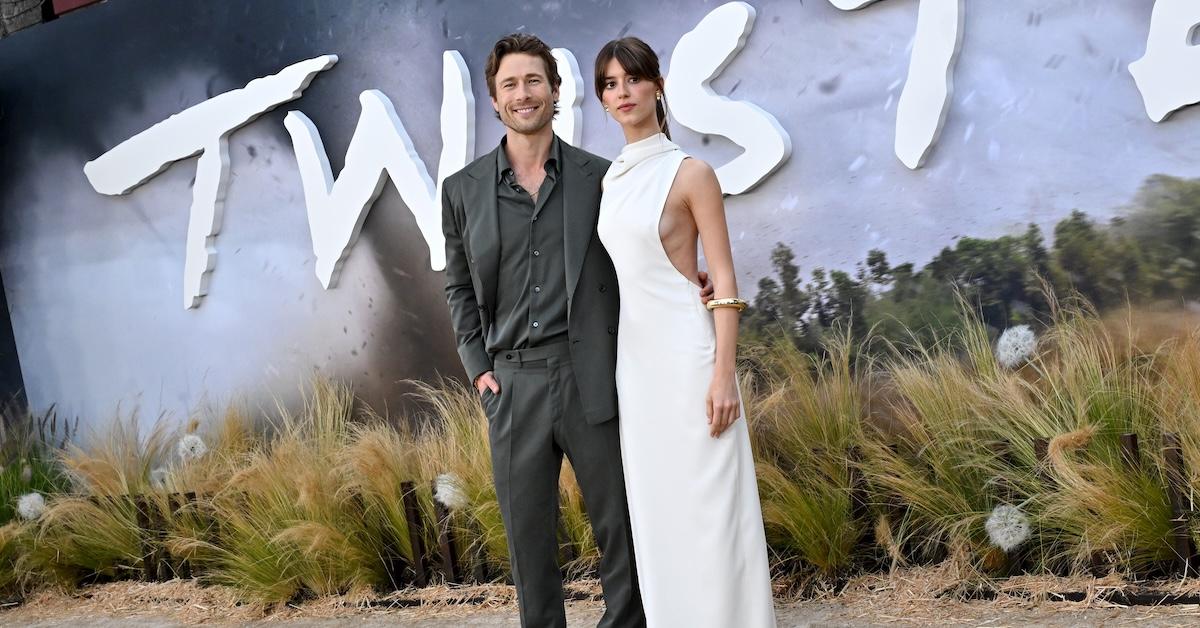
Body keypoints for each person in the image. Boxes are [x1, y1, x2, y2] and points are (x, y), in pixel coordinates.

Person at [440, 33, 711, 628]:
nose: (523, 94)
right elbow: (458, 287)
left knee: (620, 526)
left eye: (534, 81)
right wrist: (478, 367)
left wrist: (691, 277)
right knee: (529, 541)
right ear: (493, 99)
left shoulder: (600, 178)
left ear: (556, 92)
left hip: (593, 373)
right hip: (510, 385)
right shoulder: (460, 192)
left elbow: (640, 249)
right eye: (509, 84)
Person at [593, 37, 777, 627]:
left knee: (712, 507)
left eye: (633, 80)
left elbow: (722, 277)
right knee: (659, 512)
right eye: (611, 84)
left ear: (658, 86)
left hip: (693, 359)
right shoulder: (611, 180)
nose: (623, 93)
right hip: (637, 368)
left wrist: (724, 375)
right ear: (603, 98)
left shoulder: (691, 172)